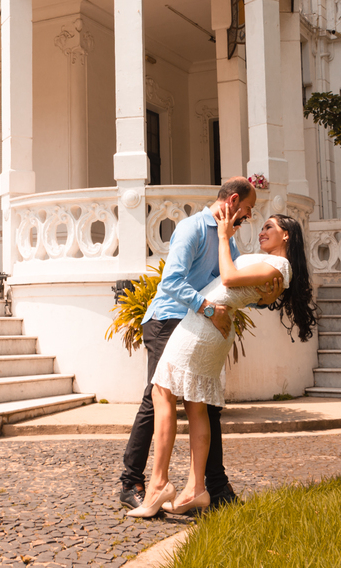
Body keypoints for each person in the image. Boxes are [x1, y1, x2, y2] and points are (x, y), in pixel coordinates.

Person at [126, 209, 314, 518]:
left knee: (162, 392)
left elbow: (227, 277)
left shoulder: (279, 265)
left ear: (286, 235)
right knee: (197, 405)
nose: (261, 230)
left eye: (270, 226)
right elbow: (242, 290)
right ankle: (196, 489)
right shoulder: (270, 264)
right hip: (211, 326)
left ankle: (159, 486)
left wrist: (225, 237)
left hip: (204, 328)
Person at [118, 177, 262, 513]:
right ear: (234, 201)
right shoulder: (192, 228)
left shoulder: (227, 240)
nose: (248, 217)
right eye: (248, 210)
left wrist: (268, 291)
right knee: (156, 400)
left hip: (196, 322)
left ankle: (214, 487)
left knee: (206, 404)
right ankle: (131, 483)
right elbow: (171, 283)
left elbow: (235, 282)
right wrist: (209, 309)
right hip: (167, 320)